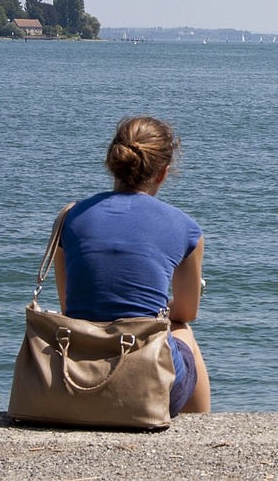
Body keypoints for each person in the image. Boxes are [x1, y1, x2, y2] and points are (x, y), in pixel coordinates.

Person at [53, 115, 211, 414]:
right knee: (181, 329)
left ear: (112, 161)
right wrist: (159, 309)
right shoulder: (185, 227)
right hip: (147, 380)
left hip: (76, 376)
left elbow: (69, 307)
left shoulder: (69, 218)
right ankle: (200, 426)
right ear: (163, 172)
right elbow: (188, 311)